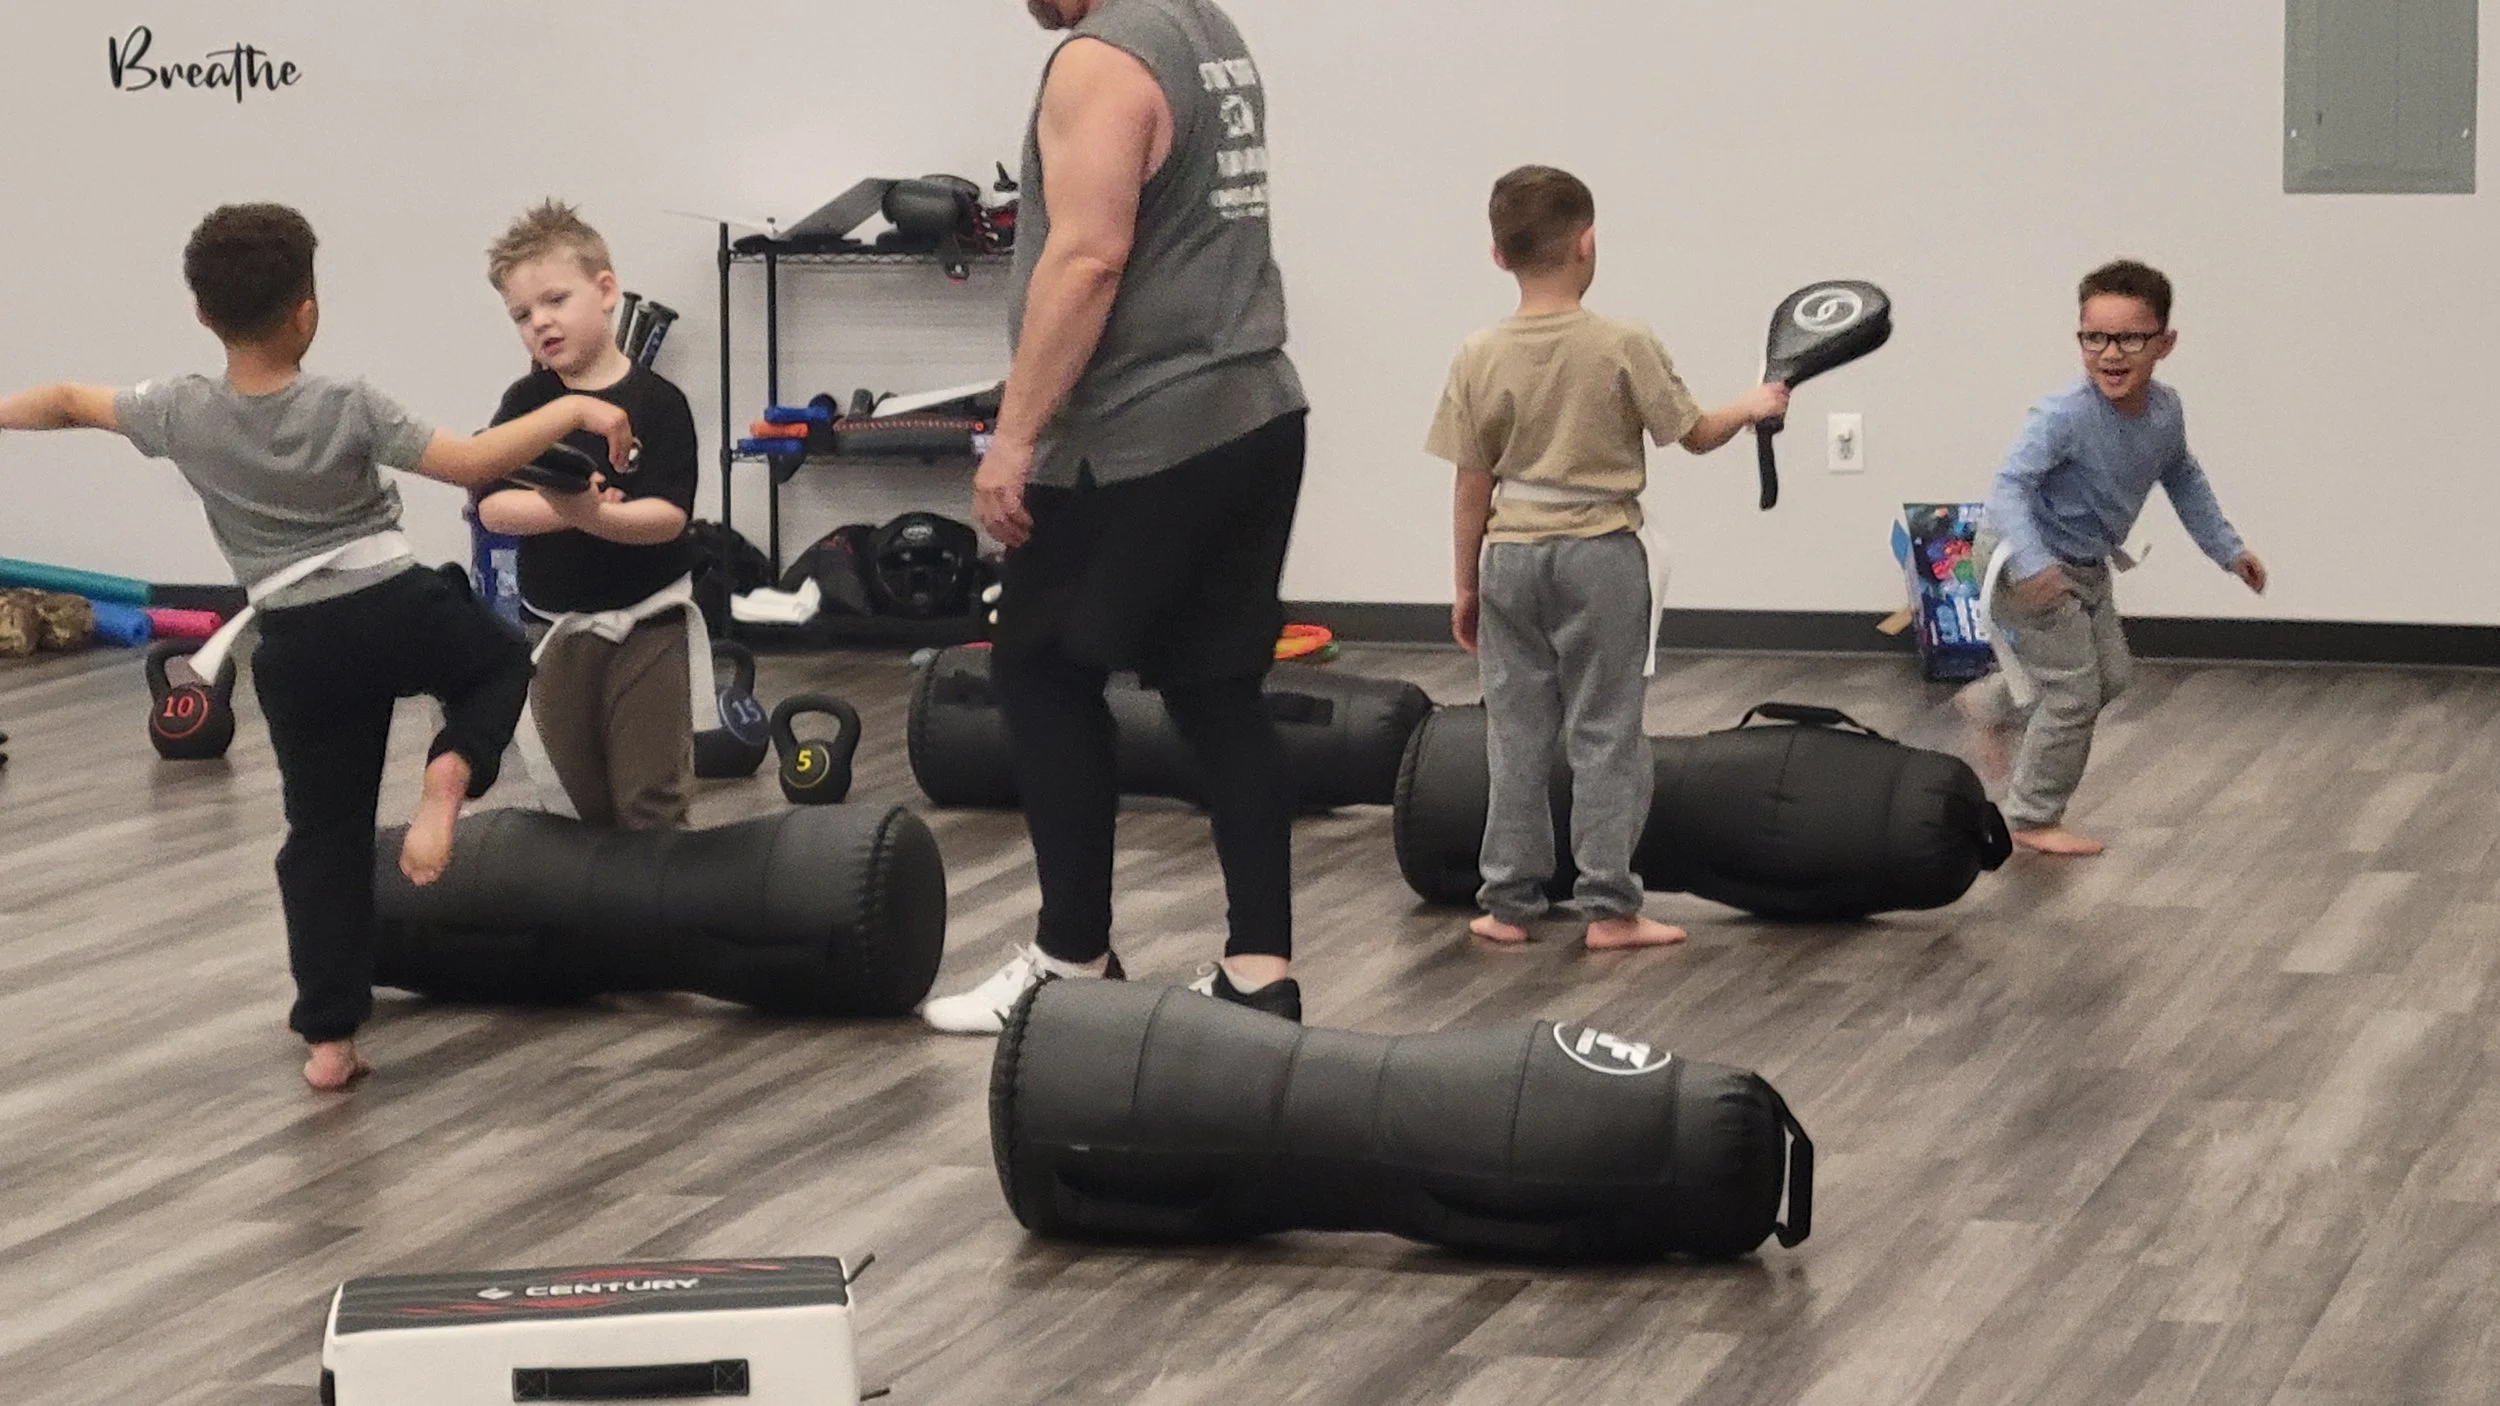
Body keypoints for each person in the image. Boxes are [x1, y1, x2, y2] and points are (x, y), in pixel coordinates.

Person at [0, 203, 634, 1089]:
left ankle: (330, 1041)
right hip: (393, 602)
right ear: (308, 308)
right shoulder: (348, 403)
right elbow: (477, 460)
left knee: (322, 837)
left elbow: (67, 401)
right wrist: (575, 407)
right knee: (496, 660)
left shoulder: (179, 411)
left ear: (202, 315)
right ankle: (450, 774)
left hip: (294, 640)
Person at [923, 0, 1308, 1033]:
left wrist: (1012, 438)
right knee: (1217, 688)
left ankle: (1072, 959)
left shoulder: (1097, 60)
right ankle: (1260, 971)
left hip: (1141, 428)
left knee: (1039, 671)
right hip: (1255, 410)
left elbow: (1089, 257)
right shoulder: (1205, 29)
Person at [1428, 165, 1789, 951]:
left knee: (1515, 735)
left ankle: (1509, 903)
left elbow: (1470, 483)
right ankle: (1610, 907)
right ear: (1587, 243)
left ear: (1497, 255)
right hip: (1598, 556)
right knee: (1606, 731)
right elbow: (1691, 432)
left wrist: (1463, 585)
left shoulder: (1477, 353)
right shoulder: (1622, 342)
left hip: (1507, 558)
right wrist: (1755, 405)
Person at [1959, 259, 2267, 857]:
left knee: (2111, 678)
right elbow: (2006, 490)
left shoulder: (2164, 413)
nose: (2111, 354)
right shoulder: (2063, 415)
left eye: (2130, 337)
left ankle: (1991, 702)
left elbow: (2184, 478)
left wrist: (2229, 550)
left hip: (2081, 562)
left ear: (2165, 343)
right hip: (2022, 561)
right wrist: (2032, 564)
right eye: (2094, 337)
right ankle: (2029, 815)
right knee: (2073, 693)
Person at [474, 200, 703, 829]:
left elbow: (666, 518)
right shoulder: (526, 402)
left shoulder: (658, 402)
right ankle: (596, 924)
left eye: (554, 301)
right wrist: (572, 509)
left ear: (605, 291)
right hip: (553, 629)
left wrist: (590, 515)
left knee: (650, 796)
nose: (540, 323)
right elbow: (493, 507)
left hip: (648, 627)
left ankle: (661, 921)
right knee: (576, 800)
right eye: (522, 315)